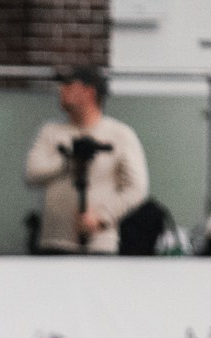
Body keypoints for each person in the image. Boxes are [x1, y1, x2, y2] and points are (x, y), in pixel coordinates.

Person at [22, 67, 148, 255]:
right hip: (54, 241)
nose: (61, 91)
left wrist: (102, 217)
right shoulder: (51, 132)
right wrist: (67, 163)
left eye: (68, 85)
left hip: (99, 242)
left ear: (89, 91)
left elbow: (136, 188)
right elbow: (32, 173)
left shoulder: (119, 134)